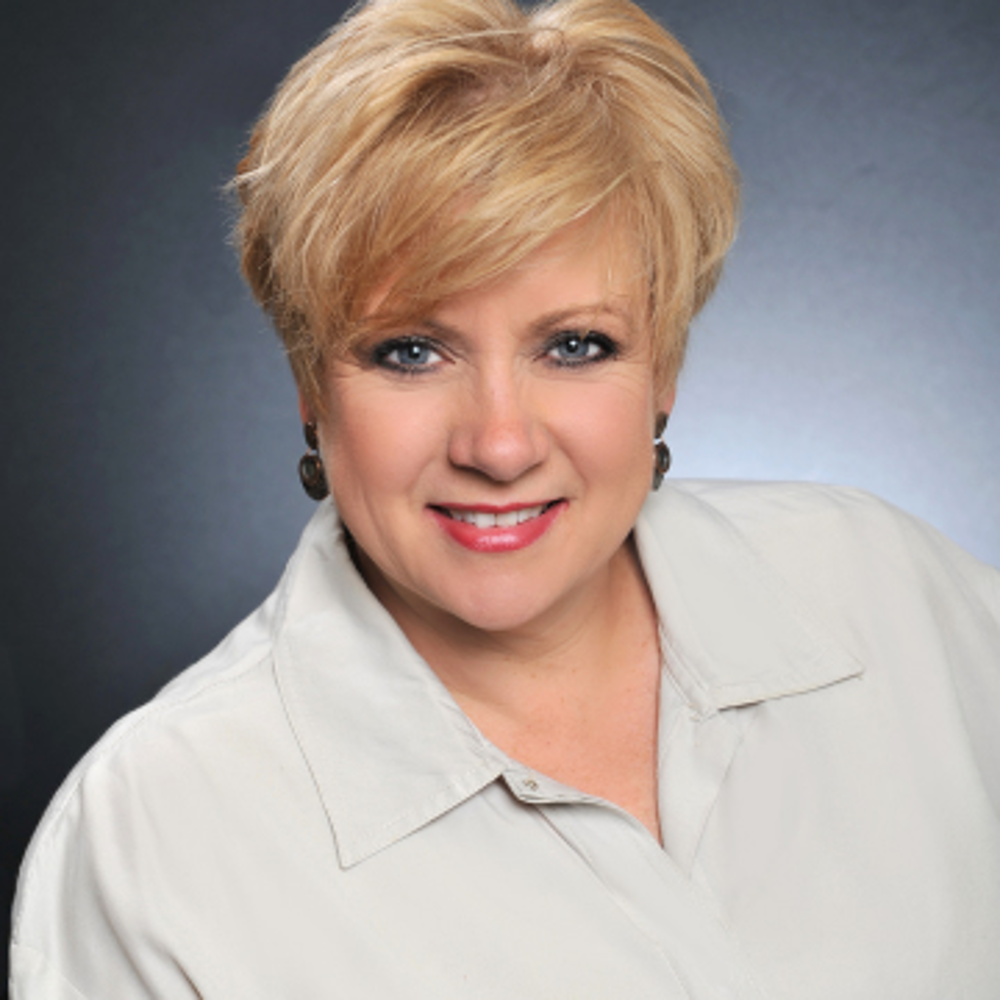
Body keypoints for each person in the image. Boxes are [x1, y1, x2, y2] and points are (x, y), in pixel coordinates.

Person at [10, 0, 1000, 996]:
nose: (499, 444)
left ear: (664, 366)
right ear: (310, 383)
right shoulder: (152, 835)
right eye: (410, 351)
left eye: (575, 345)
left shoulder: (895, 598)